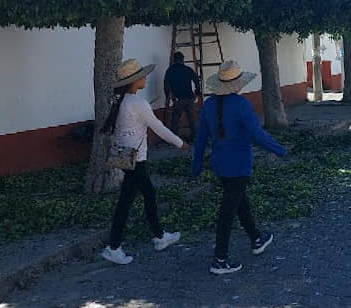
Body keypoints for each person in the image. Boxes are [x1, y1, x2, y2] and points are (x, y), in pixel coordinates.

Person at [192, 60, 287, 275]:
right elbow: (257, 134)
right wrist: (279, 149)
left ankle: (256, 239)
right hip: (240, 164)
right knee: (228, 211)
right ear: (237, 84)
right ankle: (220, 259)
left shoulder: (208, 105)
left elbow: (201, 139)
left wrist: (196, 164)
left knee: (239, 202)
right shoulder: (242, 104)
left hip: (220, 164)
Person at [101, 58, 189, 265]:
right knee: (142, 196)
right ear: (134, 81)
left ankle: (155, 236)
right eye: (142, 76)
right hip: (136, 159)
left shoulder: (122, 101)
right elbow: (158, 127)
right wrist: (180, 143)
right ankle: (120, 245)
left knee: (131, 199)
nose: (145, 78)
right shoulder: (137, 103)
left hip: (127, 158)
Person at [164, 51, 201, 140]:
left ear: (174, 60)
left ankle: (173, 138)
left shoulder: (170, 70)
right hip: (190, 97)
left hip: (178, 98)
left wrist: (167, 96)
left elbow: (166, 84)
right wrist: (197, 92)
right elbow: (196, 80)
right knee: (192, 118)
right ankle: (196, 136)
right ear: (183, 60)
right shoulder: (188, 69)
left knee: (175, 119)